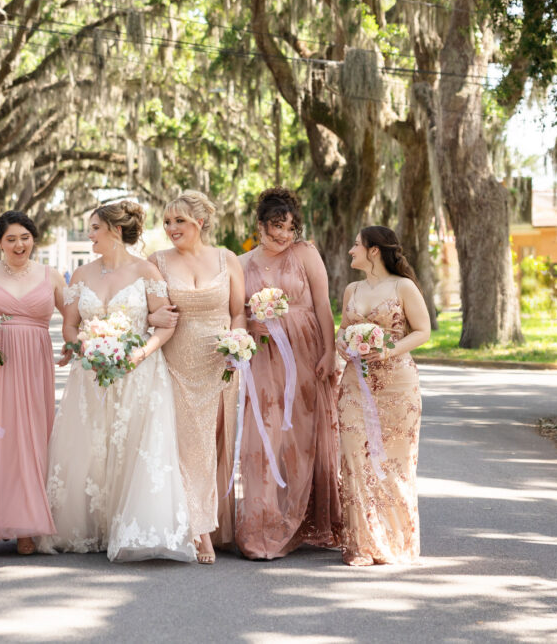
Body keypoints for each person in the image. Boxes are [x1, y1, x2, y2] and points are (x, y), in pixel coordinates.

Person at [37, 202, 195, 563]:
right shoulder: (80, 275)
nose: (89, 235)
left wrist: (141, 353)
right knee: (92, 445)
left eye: (94, 228)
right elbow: (70, 324)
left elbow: (166, 323)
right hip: (92, 372)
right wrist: (81, 346)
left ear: (114, 230)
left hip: (138, 372)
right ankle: (91, 526)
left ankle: (131, 527)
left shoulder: (147, 271)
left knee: (131, 444)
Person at [233, 188, 342, 558]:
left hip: (306, 351)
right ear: (259, 224)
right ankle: (264, 524)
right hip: (263, 356)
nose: (283, 236)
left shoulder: (305, 253)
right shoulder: (241, 262)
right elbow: (235, 312)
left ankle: (301, 518)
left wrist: (331, 352)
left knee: (301, 435)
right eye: (276, 228)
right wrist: (250, 323)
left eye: (289, 229)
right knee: (264, 432)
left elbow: (324, 303)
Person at [0, 211, 66, 555]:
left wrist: (77, 342)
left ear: (34, 239)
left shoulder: (51, 276)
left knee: (32, 439)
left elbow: (73, 317)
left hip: (35, 364)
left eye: (25, 237)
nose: (19, 245)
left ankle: (27, 529)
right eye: (11, 239)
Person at [148, 190, 246, 565]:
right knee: (189, 447)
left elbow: (238, 311)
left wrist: (236, 343)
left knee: (216, 444)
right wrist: (153, 319)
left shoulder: (227, 259)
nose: (172, 228)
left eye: (180, 222)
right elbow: (148, 309)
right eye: (168, 222)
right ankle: (199, 529)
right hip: (176, 363)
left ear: (199, 223)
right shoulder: (156, 261)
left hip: (219, 365)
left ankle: (214, 524)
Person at [335, 226, 431, 566]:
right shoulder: (352, 289)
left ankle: (395, 541)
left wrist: (388, 350)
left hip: (396, 385)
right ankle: (362, 545)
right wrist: (343, 346)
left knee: (395, 461)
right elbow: (343, 331)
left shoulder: (402, 287)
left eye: (356, 245)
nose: (351, 250)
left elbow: (423, 330)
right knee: (354, 457)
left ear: (374, 251)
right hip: (354, 384)